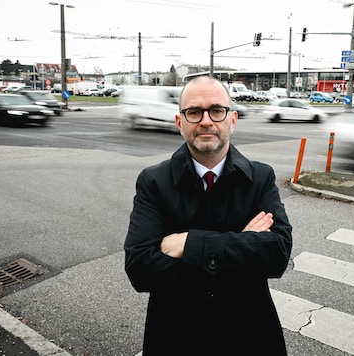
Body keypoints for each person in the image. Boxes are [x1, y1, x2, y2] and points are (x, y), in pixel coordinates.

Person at [124, 75, 293, 356]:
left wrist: (188, 245)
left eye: (216, 110)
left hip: (250, 335)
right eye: (194, 112)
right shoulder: (153, 182)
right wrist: (242, 245)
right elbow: (140, 269)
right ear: (180, 123)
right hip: (176, 336)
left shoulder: (260, 177)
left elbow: (277, 255)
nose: (206, 121)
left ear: (232, 119)